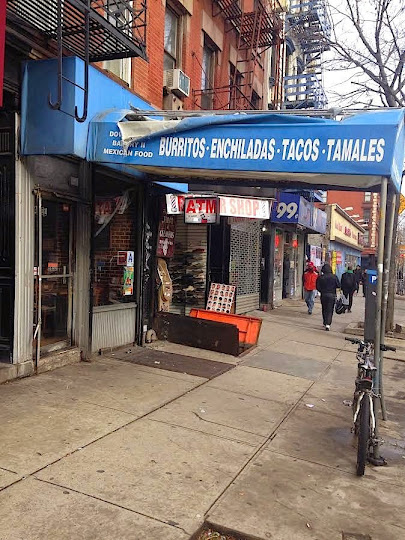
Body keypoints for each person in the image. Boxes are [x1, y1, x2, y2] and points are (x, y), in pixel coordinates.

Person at [316, 263, 341, 331]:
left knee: (324, 308)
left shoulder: (320, 277)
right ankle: (328, 324)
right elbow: (338, 285)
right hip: (332, 295)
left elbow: (317, 287)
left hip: (324, 295)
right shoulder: (334, 277)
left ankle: (325, 322)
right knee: (330, 309)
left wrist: (322, 291)